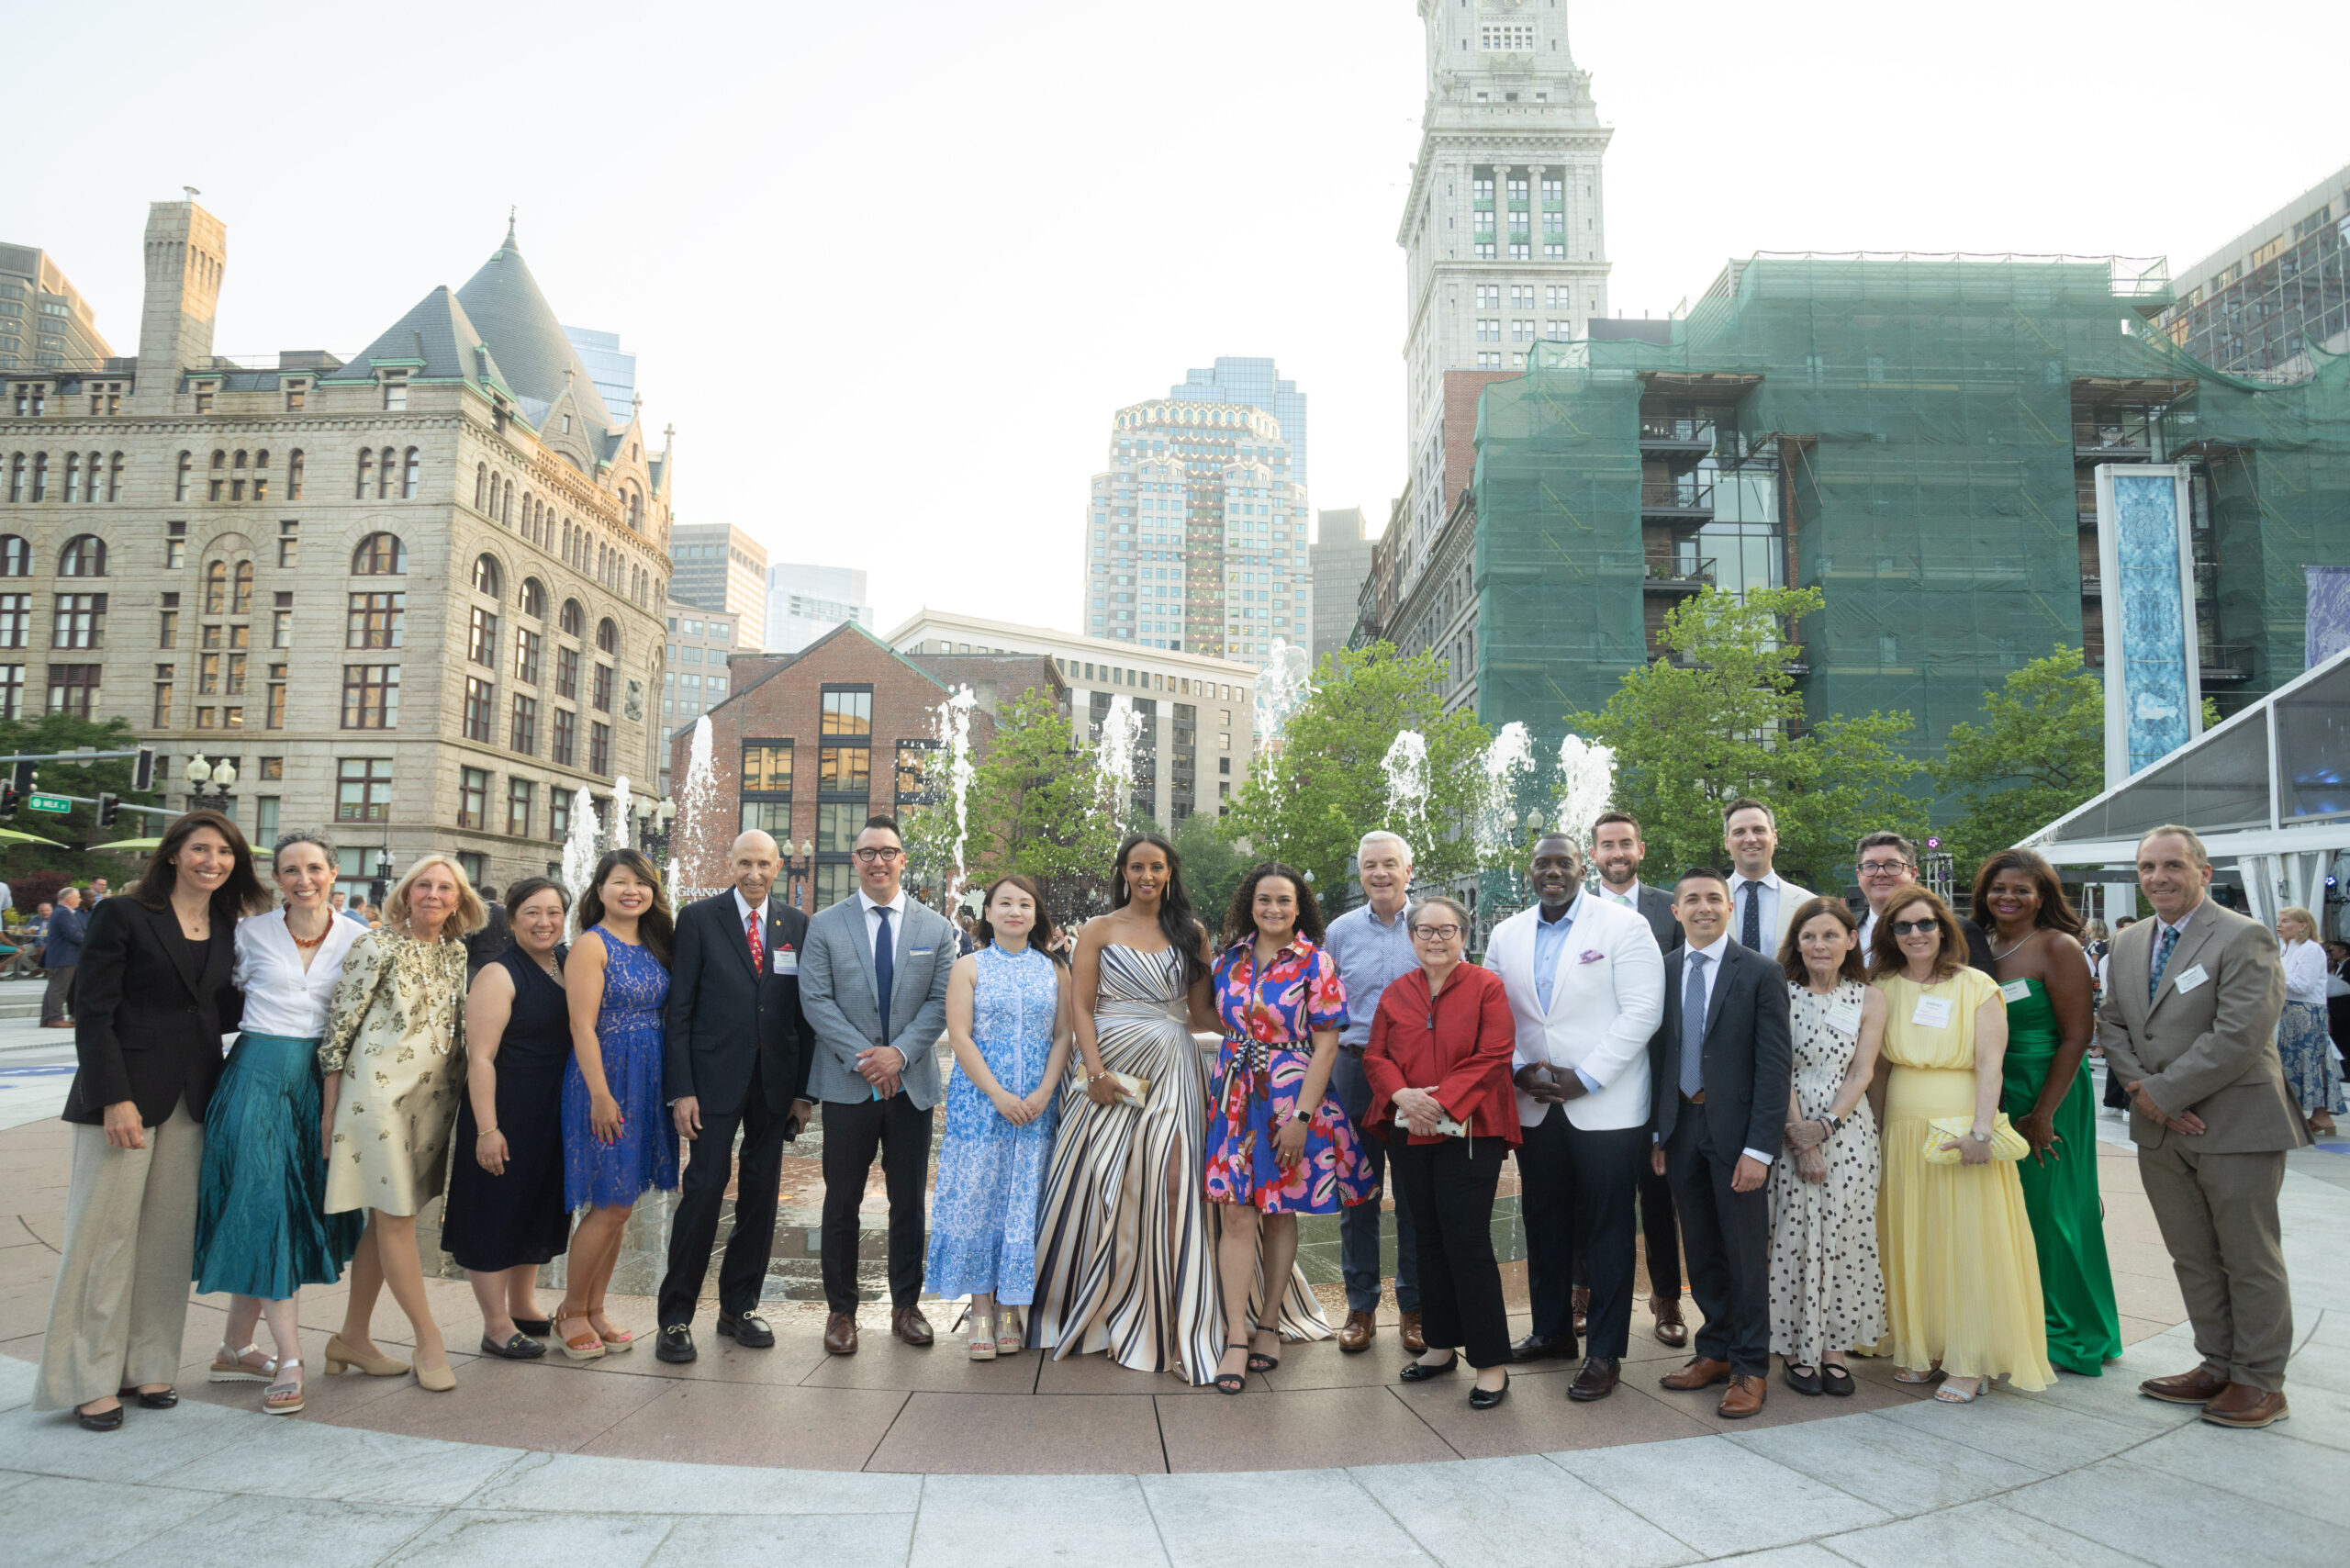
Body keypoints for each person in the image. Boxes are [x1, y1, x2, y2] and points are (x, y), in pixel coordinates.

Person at [34, 812, 265, 1429]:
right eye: (199, 850)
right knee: (103, 1240)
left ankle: (148, 1364)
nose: (211, 861)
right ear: (172, 855)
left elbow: (220, 1008)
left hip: (192, 1097)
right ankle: (88, 1378)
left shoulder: (224, 923)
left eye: (223, 852)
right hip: (124, 1099)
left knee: (165, 1242)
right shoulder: (125, 914)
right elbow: (93, 1008)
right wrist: (113, 1095)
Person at [2101, 827, 2301, 1428]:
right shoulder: (2132, 942)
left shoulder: (2245, 937)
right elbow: (2112, 1025)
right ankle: (2216, 1364)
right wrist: (2146, 1095)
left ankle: (2260, 1381)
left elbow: (2240, 1033)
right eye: (2146, 867)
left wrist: (2160, 1094)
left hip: (2236, 1123)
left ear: (2204, 872)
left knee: (2248, 1256)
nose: (2158, 877)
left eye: (2172, 865)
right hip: (2161, 1131)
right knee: (2192, 1255)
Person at [1031, 832, 1224, 1383]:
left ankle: (1167, 1308)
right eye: (1137, 867)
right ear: (1123, 871)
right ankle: (1096, 1305)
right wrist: (1092, 1072)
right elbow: (1082, 1007)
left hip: (1171, 1065)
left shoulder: (1191, 932)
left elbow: (1202, 1011)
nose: (1146, 876)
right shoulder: (1098, 929)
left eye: (1156, 867)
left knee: (1172, 1178)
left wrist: (1258, 1024)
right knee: (1102, 1178)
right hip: (1109, 1066)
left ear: (1169, 872)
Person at [190, 832, 367, 1414]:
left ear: (334, 873)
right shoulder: (248, 934)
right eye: (290, 870)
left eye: (314, 867)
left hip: (322, 1085)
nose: (303, 879)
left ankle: (236, 1347)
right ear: (277, 879)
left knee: (283, 1211)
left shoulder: (360, 939)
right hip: (256, 1079)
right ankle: (289, 1358)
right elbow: (203, 999)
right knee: (264, 1205)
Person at [1491, 833, 1666, 1400]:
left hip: (1607, 1106)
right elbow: (1494, 1013)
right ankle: (1551, 1332)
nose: (1552, 871)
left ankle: (1605, 1352)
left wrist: (1585, 1077)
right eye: (1542, 863)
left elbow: (1644, 1011)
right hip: (1535, 1104)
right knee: (1544, 1223)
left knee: (1609, 1228)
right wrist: (1519, 1069)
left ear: (1580, 866)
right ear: (1530, 871)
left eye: (1563, 861)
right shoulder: (1505, 933)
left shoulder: (1622, 926)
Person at [1870, 886, 2053, 1402]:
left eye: (1924, 924)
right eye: (1902, 927)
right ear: (1890, 935)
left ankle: (1970, 1360)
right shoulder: (1882, 986)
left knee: (1966, 1243)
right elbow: (1879, 1070)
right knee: (1914, 1240)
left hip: (1959, 1128)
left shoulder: (1977, 986)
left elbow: (1991, 1064)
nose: (1915, 934)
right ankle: (1923, 1345)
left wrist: (1979, 1132)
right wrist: (1877, 1136)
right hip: (1902, 1132)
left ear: (1944, 928)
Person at [319, 854, 483, 1394]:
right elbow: (339, 1029)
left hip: (433, 1101)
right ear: (406, 893)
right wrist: (329, 1110)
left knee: (388, 1221)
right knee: (396, 1218)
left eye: (445, 888)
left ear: (459, 901)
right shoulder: (374, 944)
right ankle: (428, 1339)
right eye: (423, 886)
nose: (433, 895)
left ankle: (352, 1337)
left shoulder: (456, 953)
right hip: (377, 1098)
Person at [1202, 863, 1365, 1393]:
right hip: (1233, 1100)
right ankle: (1234, 1335)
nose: (1273, 909)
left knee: (1279, 1212)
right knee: (1235, 1215)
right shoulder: (1228, 959)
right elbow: (1206, 1016)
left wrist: (1299, 1119)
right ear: (1250, 902)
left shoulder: (1316, 963)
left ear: (1300, 908)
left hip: (1292, 1099)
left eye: (1284, 902)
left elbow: (1327, 1044)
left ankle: (1268, 1322)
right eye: (1264, 900)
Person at [655, 832, 816, 1363]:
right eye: (744, 863)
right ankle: (676, 1317)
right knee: (703, 1190)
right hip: (712, 1081)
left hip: (773, 1084)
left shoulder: (795, 924)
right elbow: (678, 1011)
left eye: (763, 864)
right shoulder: (700, 918)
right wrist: (682, 1089)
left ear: (777, 867)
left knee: (761, 1196)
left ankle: (739, 1307)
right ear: (731, 863)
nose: (753, 873)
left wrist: (802, 1093)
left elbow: (802, 1015)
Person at [800, 814, 957, 1355]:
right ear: (855, 862)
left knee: (908, 1200)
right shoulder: (824, 925)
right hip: (848, 1085)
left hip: (911, 1084)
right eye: (867, 853)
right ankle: (841, 1312)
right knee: (841, 1201)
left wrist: (900, 1054)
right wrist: (869, 1060)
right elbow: (816, 1001)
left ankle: (906, 1306)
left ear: (903, 860)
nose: (878, 861)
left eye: (888, 851)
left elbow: (941, 1002)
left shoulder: (936, 928)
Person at [1648, 867, 1794, 1418]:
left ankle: (1751, 1366)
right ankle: (1714, 1350)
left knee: (1743, 1253)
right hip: (1681, 1128)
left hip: (1737, 1135)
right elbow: (1660, 1058)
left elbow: (1774, 1067)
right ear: (1676, 910)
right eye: (1693, 900)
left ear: (1730, 908)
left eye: (1714, 898)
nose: (1704, 907)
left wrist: (1760, 1149)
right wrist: (1660, 1131)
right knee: (1702, 1248)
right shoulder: (1660, 972)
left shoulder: (1759, 972)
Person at [1364, 895, 1518, 1408]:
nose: (1435, 939)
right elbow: (1376, 1054)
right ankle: (1439, 1347)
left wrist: (1442, 1101)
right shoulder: (1396, 992)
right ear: (1411, 939)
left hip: (1472, 1131)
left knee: (1467, 1240)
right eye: (1425, 931)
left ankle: (1491, 1362)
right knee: (1423, 1235)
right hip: (1410, 1129)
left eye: (1446, 930)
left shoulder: (1486, 987)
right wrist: (1403, 1095)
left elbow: (1494, 1054)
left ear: (1464, 937)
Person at [1976, 850, 2122, 1376]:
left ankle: (2071, 1332)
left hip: (2049, 1089)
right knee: (2013, 1214)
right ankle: (2023, 1321)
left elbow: (2078, 1036)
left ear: (2044, 895)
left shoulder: (2058, 947)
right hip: (1999, 1088)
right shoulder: (1982, 944)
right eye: (1999, 889)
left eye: (2021, 889)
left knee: (2057, 1212)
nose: (2008, 898)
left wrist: (2044, 1113)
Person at [926, 874, 1073, 1357]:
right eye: (1004, 903)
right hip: (980, 1101)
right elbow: (960, 1036)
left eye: (1024, 904)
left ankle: (1015, 1304)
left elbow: (1062, 1036)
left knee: (1026, 1197)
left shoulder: (1054, 969)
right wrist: (998, 1095)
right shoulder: (968, 966)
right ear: (987, 913)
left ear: (1036, 915)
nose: (1014, 911)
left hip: (1037, 1102)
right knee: (979, 1196)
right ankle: (983, 1309)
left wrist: (1044, 1090)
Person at [553, 848, 678, 1360]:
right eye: (620, 882)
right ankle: (571, 1312)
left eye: (642, 883)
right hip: (606, 1078)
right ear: (599, 889)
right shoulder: (591, 944)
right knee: (609, 1202)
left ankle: (596, 1307)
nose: (632, 891)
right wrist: (601, 1095)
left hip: (648, 1075)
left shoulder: (654, 942)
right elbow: (581, 1026)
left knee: (622, 1204)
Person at [442, 879, 573, 1360]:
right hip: (506, 1109)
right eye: (532, 913)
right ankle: (495, 1325)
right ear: (512, 919)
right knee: (496, 1213)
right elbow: (480, 1058)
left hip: (550, 1110)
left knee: (533, 1207)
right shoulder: (498, 974)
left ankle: (522, 1304)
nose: (544, 922)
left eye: (554, 912)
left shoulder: (564, 964)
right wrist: (487, 1129)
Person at [1769, 898, 1886, 1396]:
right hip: (1786, 1124)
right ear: (1797, 942)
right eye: (1810, 936)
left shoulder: (1870, 998)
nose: (1820, 945)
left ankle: (1835, 1346)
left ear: (1851, 940)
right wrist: (1802, 1136)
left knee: (1845, 1237)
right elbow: (1780, 1067)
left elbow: (1863, 1070)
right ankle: (1796, 1347)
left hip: (1849, 1130)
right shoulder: (1778, 991)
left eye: (1831, 935)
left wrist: (1828, 1126)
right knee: (1792, 1237)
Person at [1585, 810, 1687, 1349]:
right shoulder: (1573, 909)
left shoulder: (1669, 906)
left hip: (1654, 1065)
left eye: (1626, 843)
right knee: (1592, 1190)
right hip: (1589, 1075)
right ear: (1594, 853)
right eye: (1607, 845)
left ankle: (1666, 1295)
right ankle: (1582, 1290)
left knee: (1658, 1188)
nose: (1617, 853)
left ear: (1641, 849)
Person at [1321, 829, 1424, 1354]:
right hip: (1353, 1073)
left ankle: (1414, 1308)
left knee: (1413, 1197)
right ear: (1360, 874)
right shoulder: (1338, 932)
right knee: (1357, 1195)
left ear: (1408, 869)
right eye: (1369, 866)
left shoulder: (1430, 926)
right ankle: (1360, 1307)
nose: (1379, 874)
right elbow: (1321, 1010)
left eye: (1389, 864)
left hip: (1414, 1077)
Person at [1852, 832, 1996, 969]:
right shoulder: (1845, 928)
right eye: (1870, 866)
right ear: (1859, 875)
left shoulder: (1962, 931)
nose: (1881, 873)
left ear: (1913, 874)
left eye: (1892, 865)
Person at [2276, 906, 2344, 1137]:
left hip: (2307, 1012)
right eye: (2279, 921)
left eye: (2286, 921)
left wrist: (2273, 976)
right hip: (2291, 1012)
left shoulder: (2311, 949)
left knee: (2310, 1060)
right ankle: (2317, 1115)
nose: (2280, 925)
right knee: (2297, 1062)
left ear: (2303, 925)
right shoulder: (2288, 949)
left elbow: (2303, 985)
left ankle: (2320, 1114)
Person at [1720, 800, 1814, 956]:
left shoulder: (1808, 904)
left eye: (1758, 830)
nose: (1750, 839)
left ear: (1775, 837)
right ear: (1727, 842)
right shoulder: (1706, 905)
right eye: (1739, 832)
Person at [40, 884, 86, 1027]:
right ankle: (55, 1018)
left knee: (53, 988)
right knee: (59, 989)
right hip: (65, 957)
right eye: (78, 897)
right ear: (70, 899)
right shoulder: (63, 913)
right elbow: (72, 934)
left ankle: (47, 1017)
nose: (80, 900)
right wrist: (90, 941)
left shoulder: (60, 912)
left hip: (60, 956)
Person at [464, 884, 510, 974]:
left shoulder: (475, 913)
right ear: (496, 897)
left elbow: (468, 938)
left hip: (477, 961)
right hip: (500, 959)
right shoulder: (505, 913)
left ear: (480, 897)